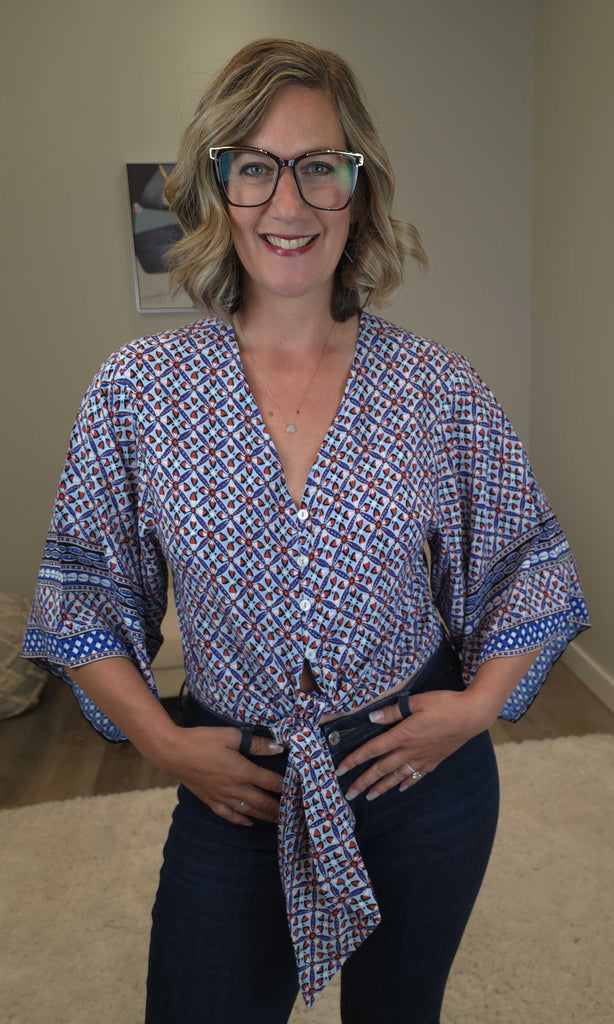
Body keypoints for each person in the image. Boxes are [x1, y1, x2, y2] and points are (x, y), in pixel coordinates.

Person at [22, 38, 589, 1024]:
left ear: (355, 191)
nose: (288, 204)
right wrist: (164, 741)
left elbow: (526, 571)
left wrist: (465, 713)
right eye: (255, 166)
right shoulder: (138, 394)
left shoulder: (435, 389)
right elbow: (85, 601)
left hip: (419, 781)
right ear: (217, 190)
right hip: (232, 779)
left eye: (318, 166)